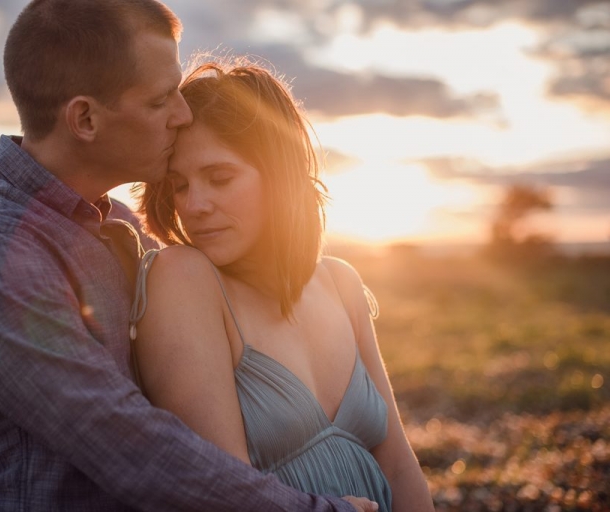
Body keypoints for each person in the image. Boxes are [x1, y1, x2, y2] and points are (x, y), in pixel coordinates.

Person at [0, 0, 367, 510]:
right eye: (160, 101)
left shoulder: (116, 224)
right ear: (84, 118)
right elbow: (129, 448)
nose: (183, 113)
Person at [131, 60, 435, 512]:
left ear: (278, 177)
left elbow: (398, 466)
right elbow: (223, 490)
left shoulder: (341, 282)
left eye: (220, 178)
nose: (194, 206)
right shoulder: (183, 280)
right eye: (179, 185)